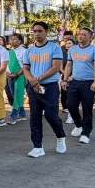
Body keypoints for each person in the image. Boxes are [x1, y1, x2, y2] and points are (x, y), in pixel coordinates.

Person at [21, 20, 66, 158]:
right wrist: (32, 81)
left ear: (46, 32)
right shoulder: (29, 50)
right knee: (34, 117)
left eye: (40, 31)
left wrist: (38, 79)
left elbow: (56, 67)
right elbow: (26, 68)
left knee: (51, 115)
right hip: (33, 87)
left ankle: (60, 137)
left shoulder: (54, 47)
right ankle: (37, 147)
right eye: (34, 31)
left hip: (50, 86)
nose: (37, 34)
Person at [65, 28, 95, 145]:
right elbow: (69, 65)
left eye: (84, 35)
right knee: (70, 106)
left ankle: (86, 132)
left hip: (89, 83)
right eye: (79, 34)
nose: (81, 36)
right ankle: (78, 125)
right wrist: (65, 79)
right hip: (74, 82)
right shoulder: (72, 49)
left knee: (87, 109)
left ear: (90, 37)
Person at [6, 32, 28, 124]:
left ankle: (13, 116)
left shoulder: (24, 51)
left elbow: (25, 65)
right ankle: (22, 114)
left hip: (21, 76)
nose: (12, 41)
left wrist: (17, 74)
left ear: (20, 41)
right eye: (11, 39)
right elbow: (7, 64)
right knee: (14, 95)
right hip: (10, 77)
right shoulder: (10, 51)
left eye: (15, 39)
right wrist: (7, 73)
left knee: (17, 95)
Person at [59, 31, 75, 122]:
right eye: (66, 43)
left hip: (76, 77)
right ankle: (69, 112)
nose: (68, 45)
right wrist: (66, 75)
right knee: (67, 95)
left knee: (73, 96)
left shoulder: (77, 53)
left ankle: (72, 115)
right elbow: (61, 66)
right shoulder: (62, 52)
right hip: (65, 77)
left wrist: (72, 76)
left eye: (70, 43)